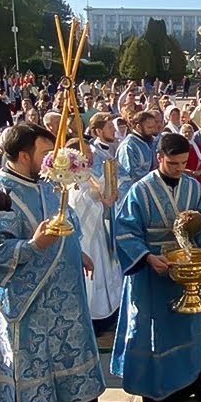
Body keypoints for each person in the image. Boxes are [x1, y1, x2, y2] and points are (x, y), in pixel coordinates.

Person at [0, 123, 108, 402]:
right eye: (44, 154)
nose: (52, 160)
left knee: (69, 351)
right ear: (23, 155)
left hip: (66, 296)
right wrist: (33, 245)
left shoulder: (48, 183)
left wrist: (75, 250)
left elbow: (66, 221)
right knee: (35, 362)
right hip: (30, 302)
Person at [111, 133, 201, 402]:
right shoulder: (140, 190)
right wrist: (148, 257)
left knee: (189, 326)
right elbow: (125, 232)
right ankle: (160, 395)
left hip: (186, 272)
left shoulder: (192, 186)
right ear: (159, 158)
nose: (179, 168)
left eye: (184, 163)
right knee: (155, 333)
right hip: (153, 274)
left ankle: (193, 382)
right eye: (173, 163)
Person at [67, 139, 124, 336]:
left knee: (106, 270)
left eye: (91, 157)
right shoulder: (70, 180)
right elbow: (79, 209)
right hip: (86, 240)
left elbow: (97, 191)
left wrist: (108, 193)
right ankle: (93, 318)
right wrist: (103, 204)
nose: (90, 161)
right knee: (93, 276)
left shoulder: (87, 175)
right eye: (87, 158)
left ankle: (109, 313)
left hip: (99, 234)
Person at [117, 110, 160, 198]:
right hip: (131, 194)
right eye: (149, 127)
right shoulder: (128, 146)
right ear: (138, 127)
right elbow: (132, 174)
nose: (152, 131)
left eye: (153, 127)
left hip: (148, 189)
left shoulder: (148, 141)